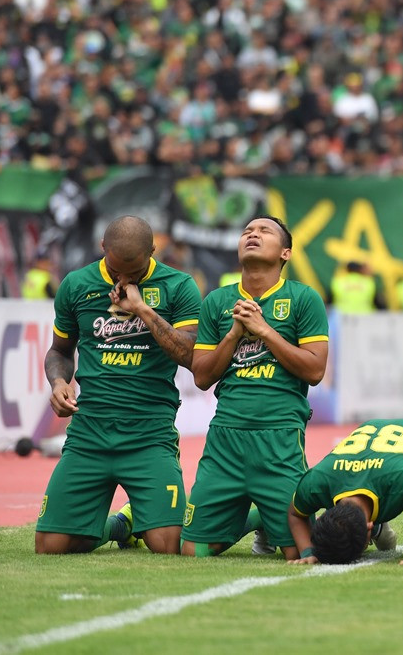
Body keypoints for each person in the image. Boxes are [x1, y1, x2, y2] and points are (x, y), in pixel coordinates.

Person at [35, 216, 202, 555]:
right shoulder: (76, 284)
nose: (123, 280)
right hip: (89, 432)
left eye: (134, 273)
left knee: (168, 547)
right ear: (102, 249)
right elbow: (60, 350)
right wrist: (58, 381)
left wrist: (144, 310)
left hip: (149, 432)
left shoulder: (178, 286)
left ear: (153, 252)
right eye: (115, 271)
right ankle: (120, 526)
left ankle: (134, 521)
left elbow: (191, 356)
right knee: (50, 547)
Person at [181, 215, 328, 561]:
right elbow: (201, 377)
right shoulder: (218, 302)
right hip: (225, 440)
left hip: (278, 437)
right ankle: (257, 517)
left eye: (264, 231)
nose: (252, 234)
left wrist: (264, 330)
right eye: (247, 231)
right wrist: (233, 334)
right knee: (194, 551)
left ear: (285, 253)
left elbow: (315, 370)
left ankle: (364, 524)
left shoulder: (303, 298)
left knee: (301, 554)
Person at [287, 419, 403, 565]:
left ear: (368, 526)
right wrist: (308, 552)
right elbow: (295, 513)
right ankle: (380, 528)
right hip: (378, 449)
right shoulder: (317, 480)